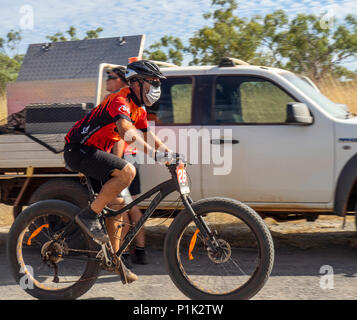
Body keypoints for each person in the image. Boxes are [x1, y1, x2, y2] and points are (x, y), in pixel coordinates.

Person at [64, 60, 172, 282]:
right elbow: (126, 132)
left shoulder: (138, 108)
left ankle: (113, 259)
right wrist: (156, 155)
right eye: (152, 82)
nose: (156, 87)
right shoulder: (119, 100)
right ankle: (89, 216)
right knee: (127, 171)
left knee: (119, 205)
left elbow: (147, 135)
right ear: (136, 83)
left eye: (157, 82)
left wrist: (172, 156)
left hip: (93, 152)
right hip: (79, 149)